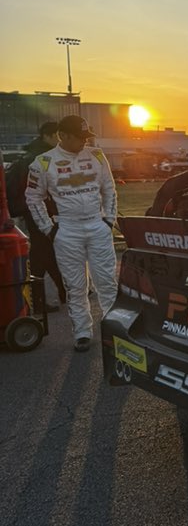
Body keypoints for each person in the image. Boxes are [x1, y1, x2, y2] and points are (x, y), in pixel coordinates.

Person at [24, 115, 118, 352]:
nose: (84, 142)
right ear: (62, 136)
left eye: (87, 137)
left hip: (98, 225)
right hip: (67, 229)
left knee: (106, 281)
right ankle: (82, 332)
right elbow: (33, 198)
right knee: (75, 286)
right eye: (79, 137)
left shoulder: (97, 155)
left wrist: (109, 219)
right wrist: (48, 228)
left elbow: (109, 189)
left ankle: (113, 329)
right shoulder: (43, 162)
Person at [5, 121, 67, 311]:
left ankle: (60, 292)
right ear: (47, 136)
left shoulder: (32, 154)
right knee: (42, 253)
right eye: (57, 136)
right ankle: (41, 301)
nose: (60, 140)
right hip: (40, 211)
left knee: (46, 251)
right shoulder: (41, 158)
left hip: (34, 212)